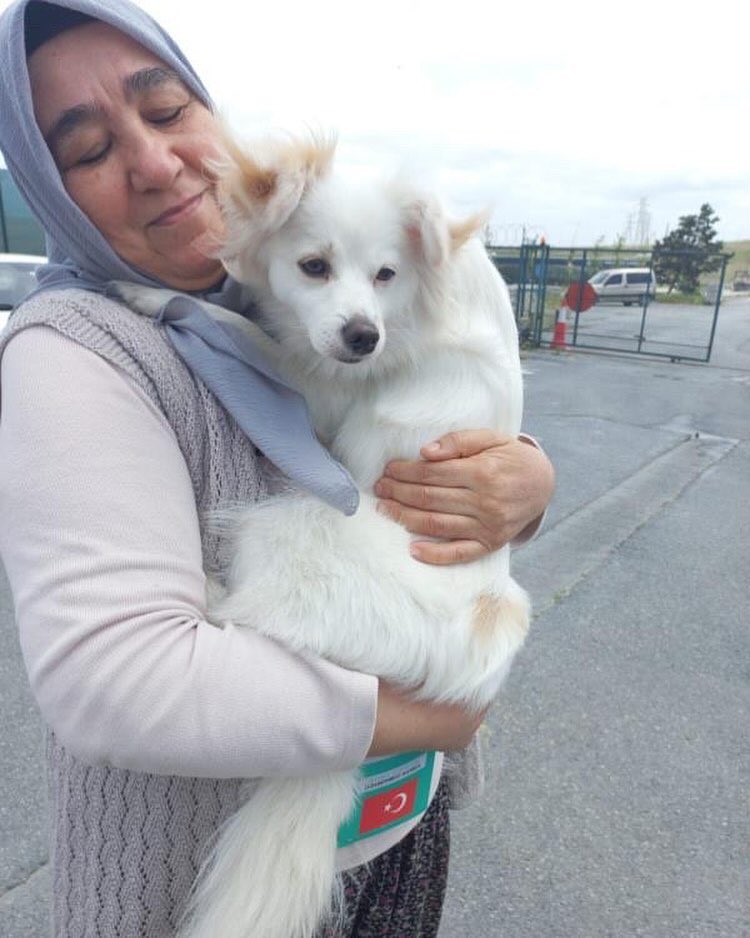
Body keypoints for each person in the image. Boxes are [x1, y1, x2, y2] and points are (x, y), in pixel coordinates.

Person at [0, 1, 555, 936]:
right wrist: (431, 714)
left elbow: (428, 387)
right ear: (48, 192)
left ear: (216, 120)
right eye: (90, 150)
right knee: (274, 543)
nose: (152, 161)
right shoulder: (75, 350)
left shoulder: (258, 284)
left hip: (397, 829)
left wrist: (523, 483)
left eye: (168, 111)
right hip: (183, 868)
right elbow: (117, 681)